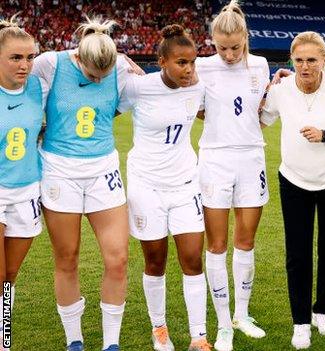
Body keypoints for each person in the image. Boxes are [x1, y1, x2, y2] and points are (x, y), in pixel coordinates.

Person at [31, 16, 133, 351]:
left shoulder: (119, 68)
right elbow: (21, 94)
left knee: (118, 258)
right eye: (92, 75)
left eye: (103, 76)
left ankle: (112, 344)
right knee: (67, 258)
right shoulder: (50, 64)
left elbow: (120, 104)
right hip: (60, 171)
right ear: (79, 57)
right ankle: (74, 340)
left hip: (103, 169)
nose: (98, 80)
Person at [260, 31, 325, 350]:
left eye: (312, 60)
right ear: (292, 60)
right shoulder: (282, 89)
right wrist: (266, 89)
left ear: (324, 60)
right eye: (299, 60)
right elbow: (262, 119)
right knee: (298, 255)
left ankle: (323, 311)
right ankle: (301, 322)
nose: (305, 67)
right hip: (294, 180)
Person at [117, 25, 211, 351]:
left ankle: (199, 336)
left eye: (193, 62)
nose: (189, 70)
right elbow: (106, 104)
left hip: (185, 184)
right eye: (181, 63)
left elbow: (215, 112)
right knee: (155, 261)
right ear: (162, 61)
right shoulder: (138, 88)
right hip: (146, 186)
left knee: (192, 259)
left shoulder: (197, 88)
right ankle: (160, 329)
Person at [194, 1, 269, 350]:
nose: (228, 54)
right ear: (212, 43)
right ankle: (223, 323)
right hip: (215, 160)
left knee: (246, 241)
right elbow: (198, 112)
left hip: (252, 157)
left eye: (235, 47)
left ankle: (242, 314)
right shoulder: (202, 67)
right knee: (218, 245)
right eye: (221, 47)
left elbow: (262, 112)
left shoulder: (261, 65)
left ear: (245, 39)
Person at [0, 16, 47, 351]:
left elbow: (77, 59)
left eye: (30, 57)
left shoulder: (37, 85)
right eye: (16, 58)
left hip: (28, 190)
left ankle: (3, 340)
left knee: (9, 278)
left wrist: (122, 61)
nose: (25, 65)